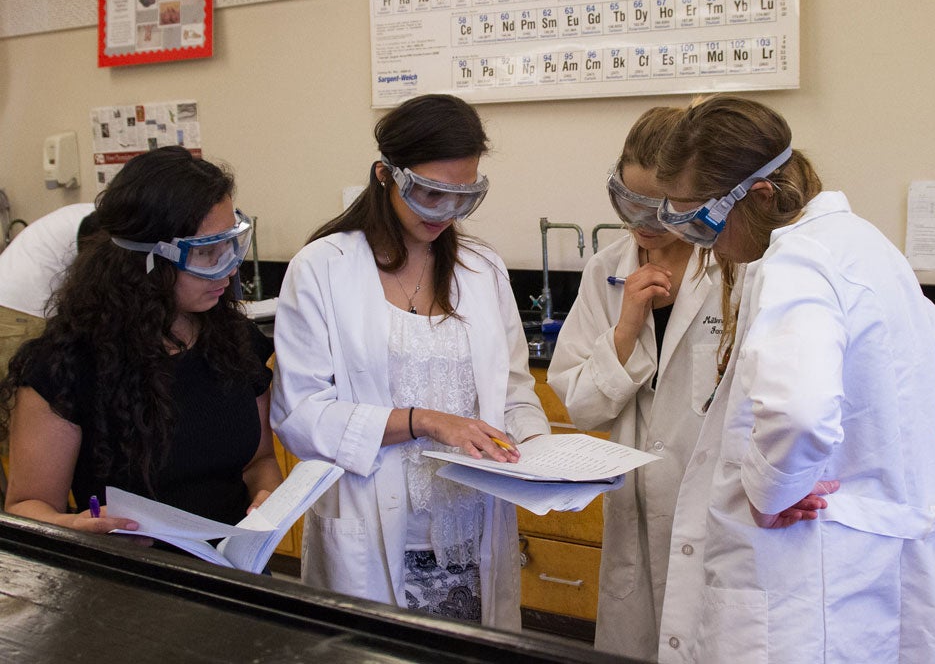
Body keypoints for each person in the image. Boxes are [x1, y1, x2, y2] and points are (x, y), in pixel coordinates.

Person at [652, 95, 935, 664]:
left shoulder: (796, 260)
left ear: (755, 196)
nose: (698, 241)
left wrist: (774, 490)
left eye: (698, 218)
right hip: (862, 562)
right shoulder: (862, 244)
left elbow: (799, 411)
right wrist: (867, 453)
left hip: (803, 574)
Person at [270, 94, 550, 629]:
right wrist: (423, 421)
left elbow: (515, 392)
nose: (445, 214)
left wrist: (537, 456)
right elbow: (300, 416)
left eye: (462, 198)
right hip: (372, 534)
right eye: (429, 194)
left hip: (472, 532)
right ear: (385, 176)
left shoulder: (481, 269)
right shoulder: (324, 268)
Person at [0, 146, 283, 535]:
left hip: (235, 570)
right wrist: (74, 528)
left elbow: (259, 461)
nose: (229, 266)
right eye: (206, 253)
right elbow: (27, 506)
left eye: (232, 242)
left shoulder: (236, 342)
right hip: (128, 580)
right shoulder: (63, 368)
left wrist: (269, 496)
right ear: (146, 261)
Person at [546, 107, 724, 661]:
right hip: (636, 517)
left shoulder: (734, 266)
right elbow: (578, 404)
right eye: (628, 202)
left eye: (661, 207)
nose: (642, 222)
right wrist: (625, 327)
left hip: (713, 518)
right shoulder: (606, 269)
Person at [0, 203, 99, 377]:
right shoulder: (99, 224)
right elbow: (99, 283)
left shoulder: (89, 212)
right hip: (21, 307)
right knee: (18, 388)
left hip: (11, 296)